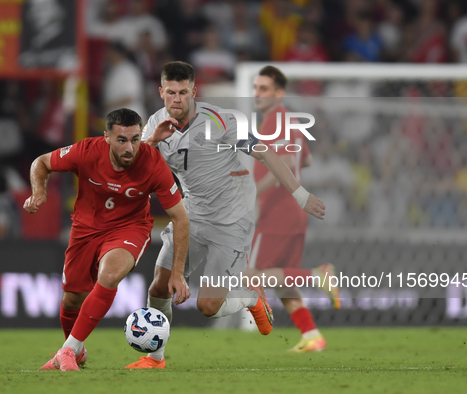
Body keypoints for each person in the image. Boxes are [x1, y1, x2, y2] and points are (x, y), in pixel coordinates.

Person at [125, 61, 326, 369]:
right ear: (161, 92)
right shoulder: (153, 124)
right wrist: (151, 142)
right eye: (170, 93)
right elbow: (136, 171)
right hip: (192, 213)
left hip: (231, 220)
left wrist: (300, 194)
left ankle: (249, 298)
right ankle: (155, 358)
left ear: (194, 91)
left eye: (183, 92)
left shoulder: (220, 121)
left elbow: (266, 152)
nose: (176, 99)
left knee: (208, 306)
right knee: (158, 286)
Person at [23, 108, 189, 372]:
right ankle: (76, 351)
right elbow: (41, 163)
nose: (130, 148)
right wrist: (38, 192)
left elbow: (180, 218)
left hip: (129, 228)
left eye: (135, 139)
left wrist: (177, 273)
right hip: (85, 227)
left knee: (109, 275)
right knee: (71, 300)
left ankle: (67, 350)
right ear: (106, 138)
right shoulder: (87, 151)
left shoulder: (153, 163)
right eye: (122, 140)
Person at [244, 66, 340, 353]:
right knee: (282, 279)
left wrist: (251, 191)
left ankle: (317, 275)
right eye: (256, 88)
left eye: (264, 89)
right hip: (293, 212)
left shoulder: (275, 122)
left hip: (277, 211)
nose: (257, 94)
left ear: (279, 93)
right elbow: (303, 161)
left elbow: (282, 162)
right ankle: (312, 335)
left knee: (250, 275)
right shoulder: (291, 123)